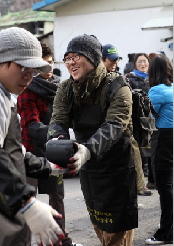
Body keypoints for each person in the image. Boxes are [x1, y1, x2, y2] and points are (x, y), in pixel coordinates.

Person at [47, 34, 138, 246]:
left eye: (76, 57)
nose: (70, 63)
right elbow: (58, 119)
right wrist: (56, 141)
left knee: (117, 231)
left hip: (118, 167)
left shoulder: (118, 87)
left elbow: (114, 126)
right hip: (88, 166)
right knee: (99, 223)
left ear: (93, 58)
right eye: (67, 58)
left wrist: (87, 150)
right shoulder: (66, 88)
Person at [0, 27, 67, 246]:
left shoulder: (3, 94)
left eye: (34, 70)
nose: (29, 76)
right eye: (24, 67)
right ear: (1, 61)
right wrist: (26, 202)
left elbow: (13, 151)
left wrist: (48, 166)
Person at [17, 42, 81, 246]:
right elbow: (31, 125)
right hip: (30, 151)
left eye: (51, 63)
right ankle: (24, 243)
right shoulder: (27, 90)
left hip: (54, 150)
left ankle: (61, 239)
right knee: (29, 202)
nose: (49, 68)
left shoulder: (61, 86)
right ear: (35, 67)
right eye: (44, 65)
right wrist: (57, 134)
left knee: (57, 196)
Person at [102, 45, 151, 198]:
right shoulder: (97, 78)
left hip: (125, 122)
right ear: (101, 60)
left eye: (116, 60)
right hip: (106, 124)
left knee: (134, 148)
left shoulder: (118, 77)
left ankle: (140, 185)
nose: (115, 62)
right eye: (111, 60)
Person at [145, 55, 173, 245]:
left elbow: (145, 114)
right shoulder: (171, 88)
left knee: (164, 187)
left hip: (163, 137)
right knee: (168, 186)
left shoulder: (156, 91)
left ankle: (166, 234)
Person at [125, 53, 154, 195]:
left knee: (151, 149)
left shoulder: (152, 78)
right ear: (135, 64)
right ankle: (140, 182)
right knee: (139, 151)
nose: (143, 64)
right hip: (136, 119)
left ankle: (151, 180)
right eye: (140, 61)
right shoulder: (129, 78)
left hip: (151, 118)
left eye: (145, 61)